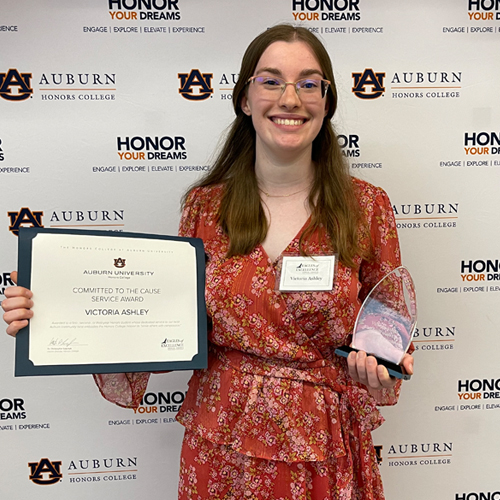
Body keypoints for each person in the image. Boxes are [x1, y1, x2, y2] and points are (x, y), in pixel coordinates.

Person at [3, 24, 414, 500]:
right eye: (271, 80)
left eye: (308, 83)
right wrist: (51, 311)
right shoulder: (204, 208)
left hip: (322, 444)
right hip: (220, 443)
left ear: (327, 100)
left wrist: (383, 361)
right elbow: (166, 321)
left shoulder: (367, 208)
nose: (290, 97)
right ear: (244, 98)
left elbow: (388, 324)